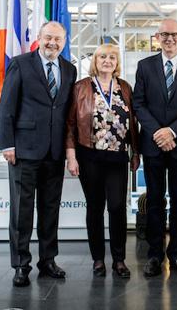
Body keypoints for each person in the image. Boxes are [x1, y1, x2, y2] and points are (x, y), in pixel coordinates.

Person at [0, 21, 77, 287]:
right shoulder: (20, 64)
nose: (52, 43)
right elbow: (7, 105)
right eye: (48, 38)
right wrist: (7, 144)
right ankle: (21, 264)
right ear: (39, 38)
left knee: (50, 209)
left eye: (57, 39)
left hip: (54, 152)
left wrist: (69, 150)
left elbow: (65, 112)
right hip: (24, 150)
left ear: (64, 42)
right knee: (21, 210)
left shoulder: (70, 69)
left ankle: (48, 260)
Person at [132, 16, 177, 277]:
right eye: (165, 34)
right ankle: (154, 255)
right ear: (157, 37)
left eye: (174, 35)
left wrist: (172, 131)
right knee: (154, 201)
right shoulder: (145, 66)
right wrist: (158, 132)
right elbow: (138, 103)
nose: (170, 39)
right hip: (153, 145)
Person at [65, 44, 140, 279]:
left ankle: (119, 259)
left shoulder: (125, 88)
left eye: (112, 57)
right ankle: (98, 259)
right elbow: (69, 124)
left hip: (117, 157)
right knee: (95, 207)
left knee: (117, 207)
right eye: (102, 57)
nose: (107, 61)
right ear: (95, 61)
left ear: (117, 62)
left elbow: (134, 123)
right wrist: (71, 156)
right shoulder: (81, 87)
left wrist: (135, 152)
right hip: (89, 156)